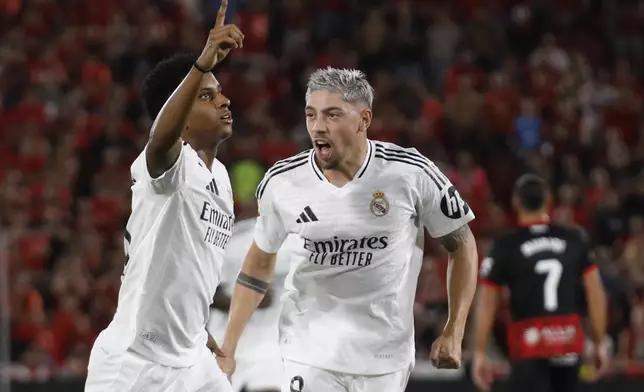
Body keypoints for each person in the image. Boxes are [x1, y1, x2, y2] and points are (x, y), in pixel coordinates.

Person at [219, 67, 480, 392]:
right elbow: (258, 265)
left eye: (332, 115)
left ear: (363, 120)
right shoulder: (282, 182)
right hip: (308, 354)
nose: (318, 127)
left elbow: (462, 243)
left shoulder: (412, 174)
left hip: (385, 359)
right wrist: (228, 347)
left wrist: (455, 330)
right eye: (311, 115)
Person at [85, 2, 244, 391]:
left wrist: (196, 326)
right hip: (135, 363)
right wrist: (203, 63)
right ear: (181, 115)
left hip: (190, 359)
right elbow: (161, 141)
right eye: (207, 96)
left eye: (219, 92)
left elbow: (189, 265)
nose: (223, 101)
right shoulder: (165, 165)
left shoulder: (220, 178)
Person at [472, 174, 610, 392]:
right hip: (568, 343)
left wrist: (480, 352)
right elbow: (596, 293)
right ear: (548, 201)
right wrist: (600, 342)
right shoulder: (574, 239)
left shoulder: (506, 246)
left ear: (516, 203)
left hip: (528, 344)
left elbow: (487, 301)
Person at [207, 217, 294, 392]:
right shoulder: (233, 235)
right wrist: (243, 300)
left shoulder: (295, 242)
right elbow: (201, 290)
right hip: (222, 345)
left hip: (268, 349)